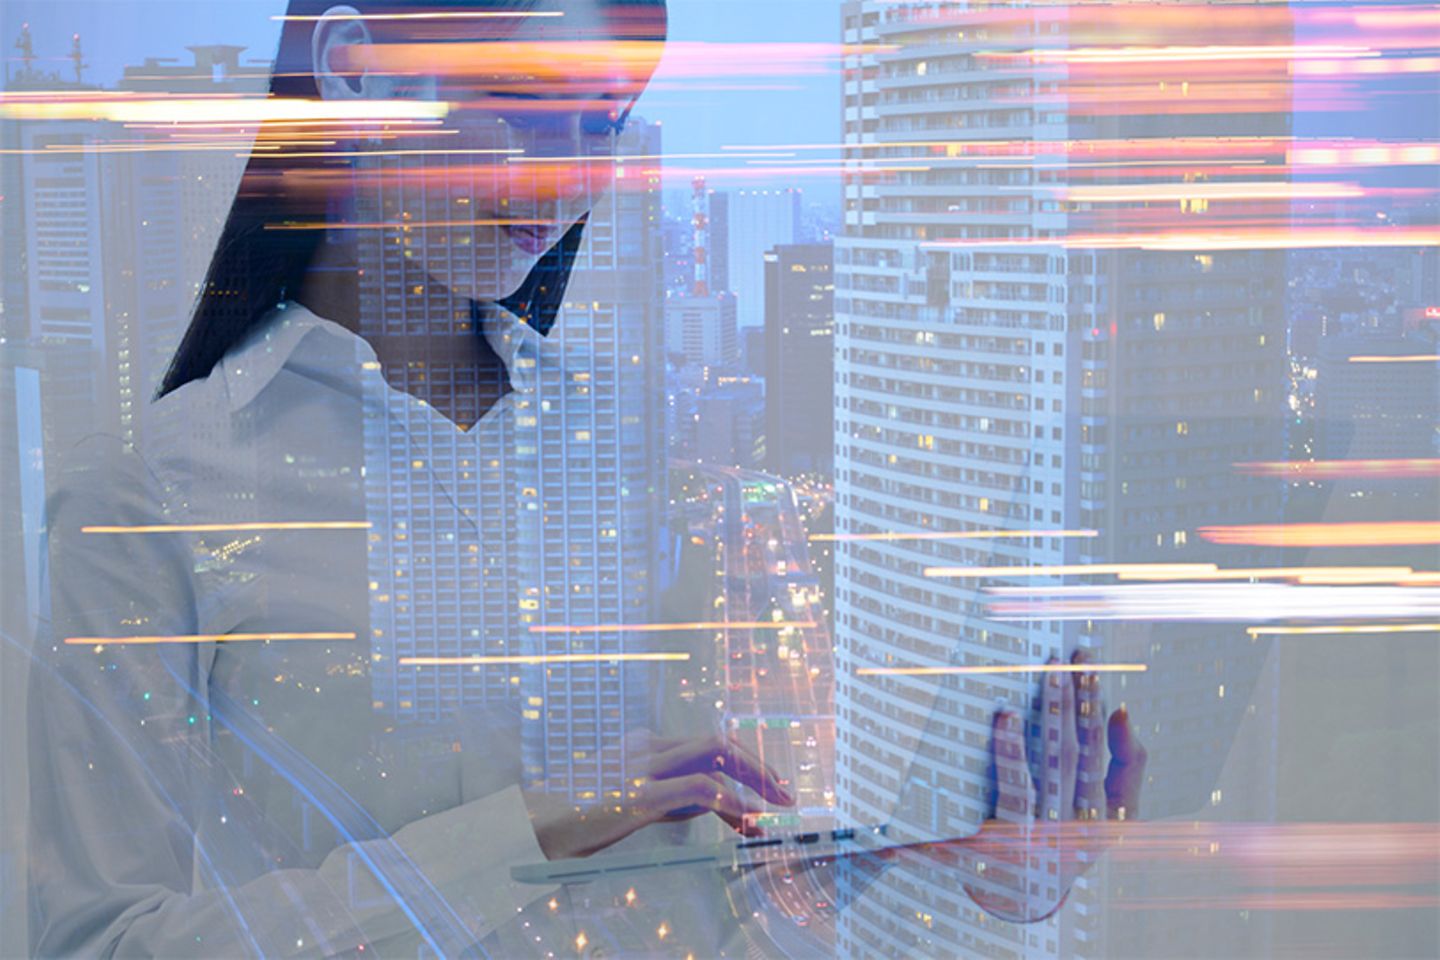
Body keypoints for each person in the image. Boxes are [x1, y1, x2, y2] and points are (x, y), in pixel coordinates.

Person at [27, 1, 1144, 955]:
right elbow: (105, 943)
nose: (569, 179)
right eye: (521, 102)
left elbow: (722, 889)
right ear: (353, 68)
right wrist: (525, 830)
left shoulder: (638, 451)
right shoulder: (147, 502)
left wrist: (949, 856)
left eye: (601, 123)